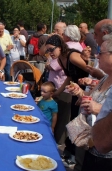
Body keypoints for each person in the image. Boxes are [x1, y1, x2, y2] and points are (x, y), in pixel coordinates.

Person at [66, 35, 112, 171]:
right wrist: (79, 92)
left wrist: (98, 109)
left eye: (100, 53)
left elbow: (98, 107)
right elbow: (90, 99)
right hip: (91, 145)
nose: (97, 56)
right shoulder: (105, 78)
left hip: (106, 154)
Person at [45, 35, 89, 166]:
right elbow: (69, 76)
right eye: (48, 51)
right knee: (74, 121)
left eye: (51, 49)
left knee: (80, 123)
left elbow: (89, 69)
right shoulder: (60, 59)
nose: (50, 53)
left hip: (85, 91)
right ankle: (70, 152)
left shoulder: (71, 56)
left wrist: (94, 85)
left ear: (59, 47)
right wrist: (57, 93)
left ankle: (77, 157)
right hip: (76, 91)